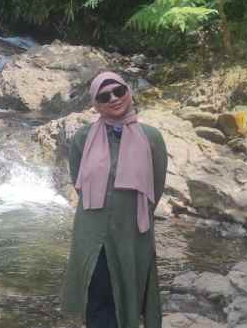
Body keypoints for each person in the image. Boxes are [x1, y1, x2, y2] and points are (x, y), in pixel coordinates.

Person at [60, 72, 168, 328]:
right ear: (96, 104)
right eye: (104, 96)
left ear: (128, 92)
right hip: (92, 228)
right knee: (97, 291)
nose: (114, 99)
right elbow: (79, 181)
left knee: (131, 290)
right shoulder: (83, 138)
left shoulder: (151, 137)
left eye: (119, 91)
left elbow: (157, 184)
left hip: (132, 229)